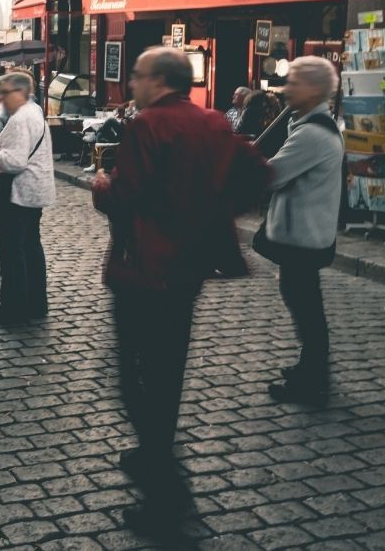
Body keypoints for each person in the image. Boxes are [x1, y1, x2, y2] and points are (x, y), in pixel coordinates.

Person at [91, 47, 269, 537]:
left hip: (145, 265)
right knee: (167, 371)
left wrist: (102, 185)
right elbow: (258, 172)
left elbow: (128, 194)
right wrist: (211, 210)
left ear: (160, 81)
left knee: (131, 374)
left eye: (137, 76)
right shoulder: (213, 121)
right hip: (188, 265)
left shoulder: (149, 124)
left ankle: (165, 490)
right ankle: (154, 453)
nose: (131, 83)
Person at [261, 57, 344, 406]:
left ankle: (313, 380)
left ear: (312, 90)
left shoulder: (312, 133)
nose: (286, 89)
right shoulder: (307, 125)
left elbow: (272, 176)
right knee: (303, 300)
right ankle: (310, 368)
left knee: (306, 305)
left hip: (305, 235)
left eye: (293, 82)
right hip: (304, 232)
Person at [0, 72, 55, 325]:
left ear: (20, 92)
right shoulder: (34, 111)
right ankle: (36, 304)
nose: (1, 99)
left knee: (12, 252)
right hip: (34, 191)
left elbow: (15, 161)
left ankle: (13, 309)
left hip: (17, 194)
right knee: (30, 248)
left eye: (5, 93)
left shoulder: (20, 118)